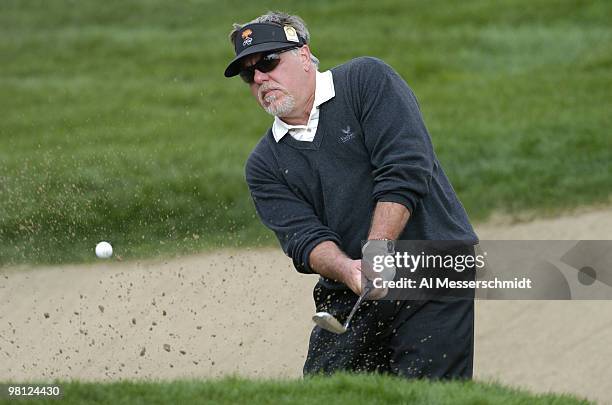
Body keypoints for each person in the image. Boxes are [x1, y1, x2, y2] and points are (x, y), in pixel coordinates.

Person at [224, 11, 478, 379]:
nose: (261, 77)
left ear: (304, 54)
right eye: (249, 73)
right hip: (350, 291)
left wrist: (378, 251)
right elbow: (304, 238)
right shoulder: (264, 165)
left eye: (269, 61)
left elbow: (405, 168)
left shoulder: (365, 81)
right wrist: (350, 269)